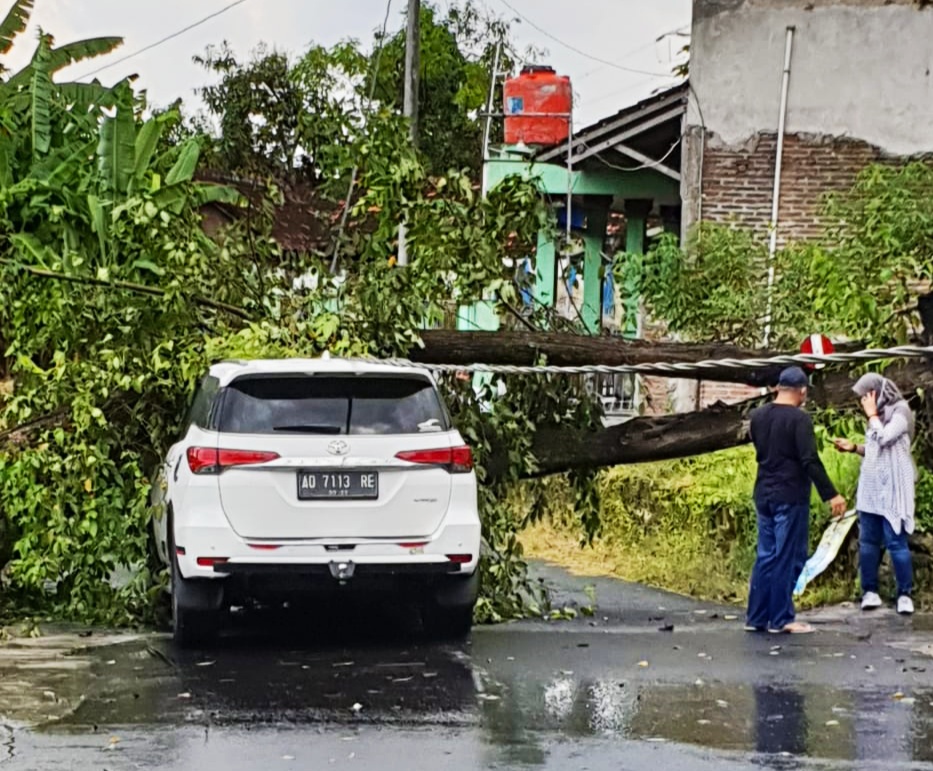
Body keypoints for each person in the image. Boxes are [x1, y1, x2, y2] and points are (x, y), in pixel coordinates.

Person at [746, 366, 847, 634]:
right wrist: (831, 494)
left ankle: (756, 616)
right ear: (802, 390)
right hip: (789, 495)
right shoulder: (799, 420)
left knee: (766, 555)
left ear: (778, 387)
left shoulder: (758, 416)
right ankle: (781, 618)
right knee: (788, 556)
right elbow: (809, 460)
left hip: (763, 493)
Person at [833, 374, 916, 615]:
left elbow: (887, 437)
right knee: (868, 542)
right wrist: (854, 448)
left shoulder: (900, 411)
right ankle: (869, 591)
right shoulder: (875, 418)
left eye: (866, 396)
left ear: (876, 393)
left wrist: (872, 415)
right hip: (871, 490)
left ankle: (904, 594)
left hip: (893, 490)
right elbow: (875, 448)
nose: (863, 402)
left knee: (896, 542)